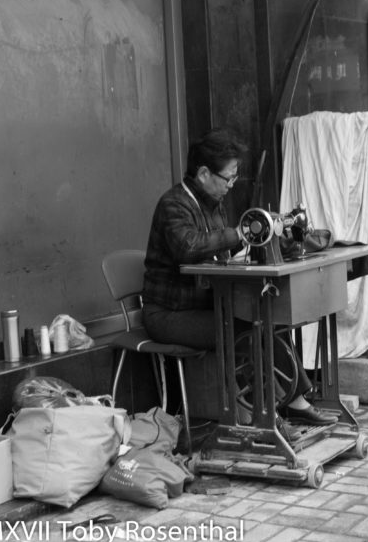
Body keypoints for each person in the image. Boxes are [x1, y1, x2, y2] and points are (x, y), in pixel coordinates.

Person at [141, 127, 338, 436]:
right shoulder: (173, 205)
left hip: (205, 305)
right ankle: (268, 418)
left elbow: (229, 247)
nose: (231, 186)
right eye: (228, 178)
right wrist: (244, 232)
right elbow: (189, 247)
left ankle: (294, 400)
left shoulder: (212, 204)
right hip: (168, 314)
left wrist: (272, 237)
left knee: (267, 315)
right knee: (246, 329)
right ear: (204, 173)